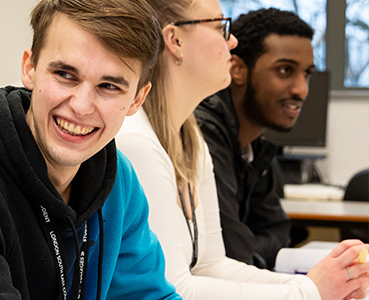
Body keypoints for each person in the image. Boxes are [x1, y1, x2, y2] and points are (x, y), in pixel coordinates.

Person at [0, 0, 182, 299]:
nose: (81, 107)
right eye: (65, 75)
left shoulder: (118, 179)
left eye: (109, 86)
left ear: (137, 99)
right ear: (29, 68)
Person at [115, 0, 369, 299]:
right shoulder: (136, 141)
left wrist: (324, 284)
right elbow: (174, 290)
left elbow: (212, 266)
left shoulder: (191, 139)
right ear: (175, 40)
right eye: (220, 27)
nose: (232, 41)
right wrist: (308, 291)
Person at [193, 7, 316, 270]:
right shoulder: (202, 135)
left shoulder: (253, 147)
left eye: (306, 73)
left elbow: (279, 231)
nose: (301, 89)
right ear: (237, 69)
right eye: (285, 70)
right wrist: (253, 251)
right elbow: (230, 253)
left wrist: (251, 250)